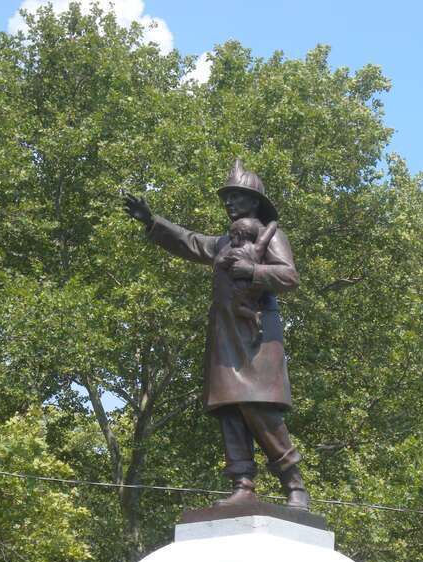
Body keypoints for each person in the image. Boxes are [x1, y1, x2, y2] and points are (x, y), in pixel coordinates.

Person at [123, 159, 309, 509]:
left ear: (253, 201)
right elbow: (189, 242)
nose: (228, 203)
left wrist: (253, 270)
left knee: (258, 407)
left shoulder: (270, 235)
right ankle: (243, 483)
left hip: (256, 337)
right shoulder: (224, 241)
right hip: (225, 336)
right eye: (226, 198)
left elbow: (289, 277)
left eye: (236, 197)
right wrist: (152, 222)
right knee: (229, 408)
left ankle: (294, 484)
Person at [223, 217, 277, 344]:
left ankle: (254, 316)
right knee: (250, 306)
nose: (231, 242)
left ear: (239, 235)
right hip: (255, 288)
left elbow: (222, 263)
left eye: (232, 238)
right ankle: (255, 332)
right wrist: (273, 223)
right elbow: (265, 238)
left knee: (237, 308)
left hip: (241, 288)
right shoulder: (258, 249)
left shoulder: (233, 252)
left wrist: (221, 262)